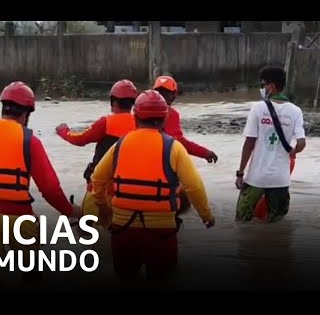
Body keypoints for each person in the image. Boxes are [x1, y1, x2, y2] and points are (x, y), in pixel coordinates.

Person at [0, 81, 82, 284]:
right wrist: (71, 211)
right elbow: (50, 190)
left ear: (3, 107)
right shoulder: (30, 140)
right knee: (31, 276)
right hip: (19, 219)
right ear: (27, 113)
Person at [90, 90, 215, 281]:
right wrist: (206, 215)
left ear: (135, 116)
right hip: (161, 232)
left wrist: (103, 206)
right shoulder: (174, 147)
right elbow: (194, 186)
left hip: (123, 230)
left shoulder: (120, 145)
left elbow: (97, 178)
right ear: (164, 119)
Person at [55, 79, 138, 227]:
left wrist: (63, 131)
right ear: (133, 103)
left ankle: (77, 220)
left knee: (89, 235)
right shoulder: (141, 126)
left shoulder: (105, 123)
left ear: (113, 102)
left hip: (99, 193)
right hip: (130, 197)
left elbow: (79, 139)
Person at [235, 65, 306, 223]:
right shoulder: (296, 111)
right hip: (280, 179)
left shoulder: (258, 108)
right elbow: (301, 142)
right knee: (277, 226)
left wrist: (240, 173)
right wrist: (294, 151)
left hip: (256, 178)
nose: (262, 88)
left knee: (241, 222)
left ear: (271, 86)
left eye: (263, 84)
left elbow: (249, 143)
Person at [153, 75, 218, 214]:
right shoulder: (171, 114)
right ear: (174, 96)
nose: (163, 96)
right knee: (184, 199)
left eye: (164, 93)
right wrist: (204, 152)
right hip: (165, 171)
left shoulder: (137, 114)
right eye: (161, 93)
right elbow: (179, 142)